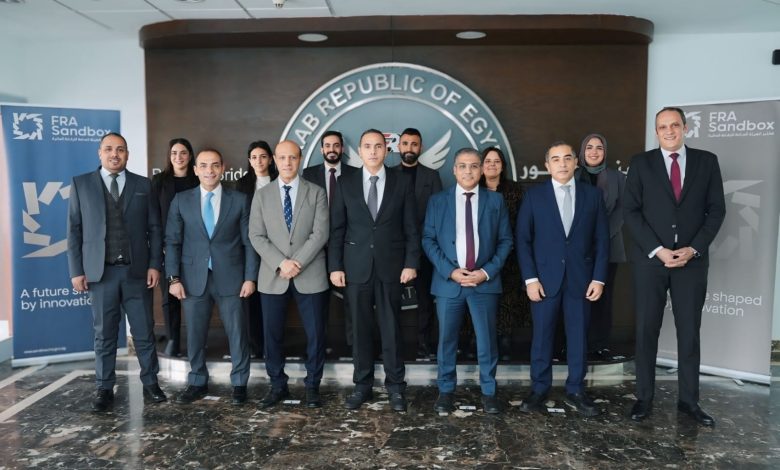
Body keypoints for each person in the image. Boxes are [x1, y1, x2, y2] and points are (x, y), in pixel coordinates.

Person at [624, 107, 726, 426]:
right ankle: (644, 398)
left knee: (689, 332)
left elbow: (716, 210)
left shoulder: (707, 162)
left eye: (674, 125)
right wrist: (658, 251)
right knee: (646, 330)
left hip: (691, 263)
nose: (669, 131)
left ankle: (689, 401)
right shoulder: (641, 163)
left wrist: (693, 249)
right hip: (651, 262)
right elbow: (631, 211)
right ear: (656, 131)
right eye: (662, 127)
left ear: (685, 127)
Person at [67, 132, 167, 412]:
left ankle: (151, 383)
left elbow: (155, 229)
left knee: (144, 332)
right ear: (100, 153)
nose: (115, 154)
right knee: (104, 335)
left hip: (137, 273)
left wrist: (154, 265)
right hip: (101, 275)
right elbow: (74, 230)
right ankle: (104, 388)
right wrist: (76, 271)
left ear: (127, 154)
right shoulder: (81, 184)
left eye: (120, 149)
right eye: (109, 149)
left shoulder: (143, 185)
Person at [329, 128, 419, 412]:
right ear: (359, 151)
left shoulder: (401, 181)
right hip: (355, 268)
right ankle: (362, 385)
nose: (373, 151)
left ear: (386, 150)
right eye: (367, 146)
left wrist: (411, 263)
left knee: (391, 329)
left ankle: (396, 387)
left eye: (378, 146)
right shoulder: (345, 182)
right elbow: (337, 229)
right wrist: (335, 266)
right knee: (360, 330)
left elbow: (411, 227)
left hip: (392, 267)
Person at [516, 141, 609, 417]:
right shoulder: (534, 196)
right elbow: (523, 240)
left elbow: (602, 241)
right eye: (555, 159)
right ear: (547, 165)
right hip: (544, 280)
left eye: (567, 158)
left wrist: (599, 279)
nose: (562, 163)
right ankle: (539, 388)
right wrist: (530, 279)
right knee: (542, 336)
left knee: (578, 336)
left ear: (576, 162)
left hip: (581, 280)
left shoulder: (593, 196)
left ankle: (576, 389)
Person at [165, 148, 259, 406]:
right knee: (195, 334)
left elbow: (249, 243)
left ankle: (239, 383)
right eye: (204, 165)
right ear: (195, 169)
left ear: (223, 168)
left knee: (237, 333)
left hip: (232, 278)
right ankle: (197, 381)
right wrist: (173, 279)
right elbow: (172, 242)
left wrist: (250, 277)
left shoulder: (239, 200)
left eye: (215, 165)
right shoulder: (181, 200)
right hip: (192, 278)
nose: (210, 170)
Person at [422, 148, 512, 414]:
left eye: (474, 166)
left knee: (486, 342)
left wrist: (485, 272)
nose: (468, 171)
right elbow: (428, 239)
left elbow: (506, 241)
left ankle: (489, 392)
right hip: (449, 283)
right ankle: (446, 391)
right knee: (446, 341)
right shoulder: (438, 201)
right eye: (462, 166)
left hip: (484, 283)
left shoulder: (495, 201)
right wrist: (450, 271)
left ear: (482, 170)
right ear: (454, 170)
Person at [249, 140, 330, 409]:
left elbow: (320, 233)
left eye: (292, 157)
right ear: (274, 159)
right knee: (271, 335)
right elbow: (256, 235)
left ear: (300, 159)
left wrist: (297, 262)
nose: (287, 163)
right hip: (273, 275)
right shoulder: (262, 195)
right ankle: (277, 385)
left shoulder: (316, 192)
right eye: (282, 158)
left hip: (311, 273)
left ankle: (312, 386)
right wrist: (281, 263)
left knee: (316, 334)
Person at [302, 130, 359, 354]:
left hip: (347, 246)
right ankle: (320, 346)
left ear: (342, 148)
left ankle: (353, 346)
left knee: (351, 300)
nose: (332, 149)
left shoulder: (355, 174)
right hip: (316, 248)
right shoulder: (308, 174)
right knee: (318, 300)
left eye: (336, 145)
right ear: (321, 149)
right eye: (327, 145)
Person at [574, 134, 626, 360]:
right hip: (578, 248)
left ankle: (600, 345)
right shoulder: (573, 175)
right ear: (582, 152)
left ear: (605, 152)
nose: (594, 152)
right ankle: (575, 343)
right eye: (589, 147)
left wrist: (602, 236)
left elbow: (622, 210)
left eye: (599, 148)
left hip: (610, 247)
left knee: (603, 299)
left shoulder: (618, 177)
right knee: (576, 297)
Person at [391, 128, 443, 359]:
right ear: (398, 147)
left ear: (421, 147)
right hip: (393, 249)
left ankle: (424, 345)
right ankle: (392, 346)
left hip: (424, 249)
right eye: (405, 143)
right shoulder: (389, 175)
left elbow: (438, 213)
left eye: (414, 144)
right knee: (390, 301)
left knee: (425, 301)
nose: (409, 148)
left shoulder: (431, 176)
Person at [479, 146, 530, 361]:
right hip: (480, 256)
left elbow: (524, 222)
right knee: (480, 298)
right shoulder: (474, 189)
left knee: (508, 297)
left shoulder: (515, 190)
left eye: (496, 161)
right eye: (488, 161)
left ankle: (505, 339)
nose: (492, 165)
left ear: (503, 166)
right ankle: (478, 340)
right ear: (481, 166)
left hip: (509, 253)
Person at [151, 137, 199, 357]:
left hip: (195, 248)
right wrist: (160, 245)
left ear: (190, 156)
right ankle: (173, 341)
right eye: (174, 153)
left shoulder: (198, 179)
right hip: (166, 248)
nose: (178, 157)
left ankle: (196, 342)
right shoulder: (159, 181)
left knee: (195, 297)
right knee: (169, 298)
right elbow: (154, 216)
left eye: (183, 153)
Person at [235, 140, 278, 359]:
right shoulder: (242, 184)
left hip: (277, 247)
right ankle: (255, 346)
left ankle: (273, 347)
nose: (258, 161)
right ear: (249, 161)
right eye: (254, 157)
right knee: (251, 300)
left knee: (273, 300)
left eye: (263, 157)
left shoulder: (280, 180)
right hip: (251, 247)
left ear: (270, 159)